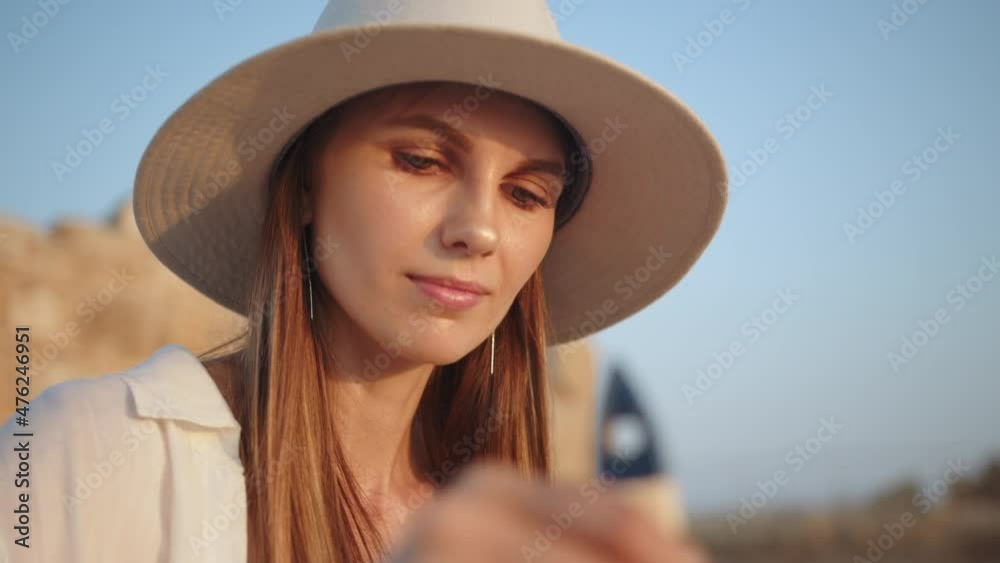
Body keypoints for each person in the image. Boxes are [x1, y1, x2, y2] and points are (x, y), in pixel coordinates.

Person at [0, 0, 727, 561]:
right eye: (421, 161)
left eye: (527, 194)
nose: (479, 230)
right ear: (304, 187)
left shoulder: (523, 530)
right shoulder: (86, 453)